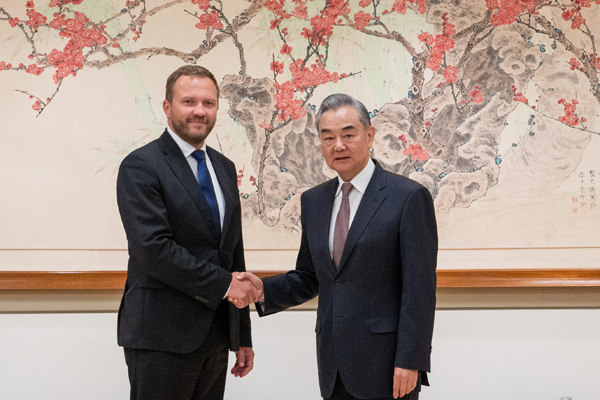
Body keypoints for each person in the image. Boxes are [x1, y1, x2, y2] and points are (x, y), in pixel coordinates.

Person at [233, 94, 438, 400]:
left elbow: (419, 290)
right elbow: (310, 276)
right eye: (327, 137)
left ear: (369, 135)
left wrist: (411, 361)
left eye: (348, 134)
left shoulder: (407, 198)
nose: (338, 145)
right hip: (333, 364)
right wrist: (262, 289)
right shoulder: (314, 201)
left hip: (388, 366)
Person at [116, 65, 261, 400]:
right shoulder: (141, 166)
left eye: (208, 103)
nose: (200, 111)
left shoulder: (224, 168)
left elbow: (232, 253)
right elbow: (153, 249)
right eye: (189, 101)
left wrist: (242, 335)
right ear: (167, 107)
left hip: (214, 336)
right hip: (160, 336)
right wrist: (226, 285)